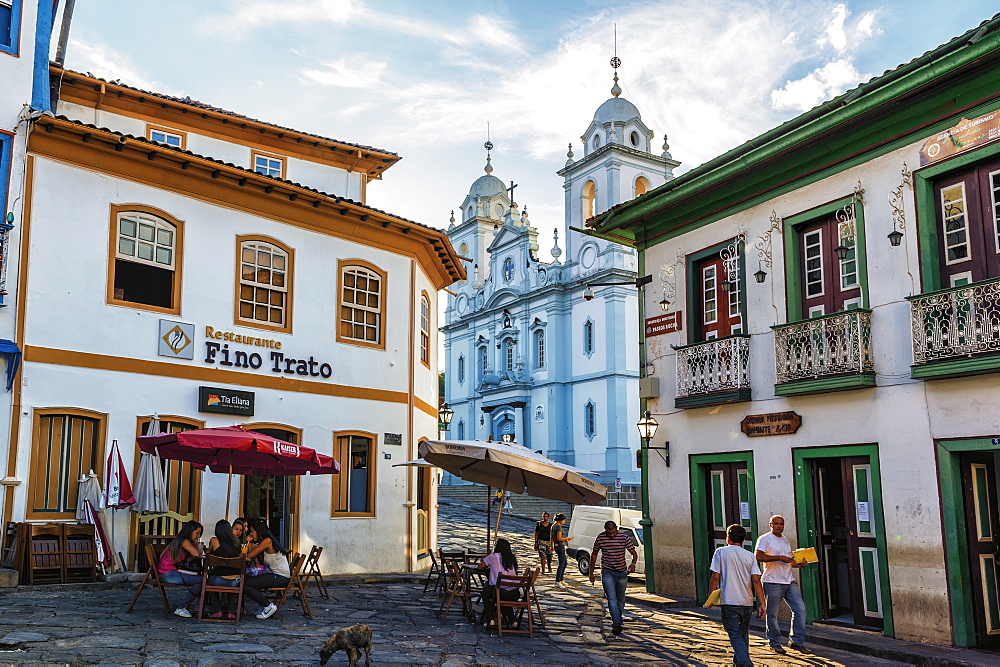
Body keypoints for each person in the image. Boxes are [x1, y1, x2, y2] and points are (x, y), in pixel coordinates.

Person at [709, 524, 767, 667]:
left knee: (735, 635)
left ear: (728, 537)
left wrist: (710, 597)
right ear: (743, 539)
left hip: (729, 601)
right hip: (746, 602)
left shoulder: (720, 552)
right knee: (742, 634)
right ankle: (738, 663)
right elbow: (756, 580)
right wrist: (762, 603)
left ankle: (746, 663)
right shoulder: (749, 556)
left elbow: (715, 577)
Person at [755, 515, 810, 655]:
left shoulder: (785, 540)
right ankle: (774, 641)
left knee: (800, 610)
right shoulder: (764, 539)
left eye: (781, 524)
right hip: (772, 581)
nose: (779, 526)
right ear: (770, 524)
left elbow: (789, 561)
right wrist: (778, 557)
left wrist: (799, 564)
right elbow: (758, 556)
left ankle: (797, 642)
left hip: (789, 581)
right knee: (772, 614)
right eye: (776, 523)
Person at [588, 520, 638, 636]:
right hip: (607, 571)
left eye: (613, 533)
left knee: (621, 599)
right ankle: (616, 624)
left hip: (621, 572)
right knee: (611, 599)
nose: (611, 535)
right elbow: (594, 554)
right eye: (609, 533)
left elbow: (633, 553)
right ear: (605, 530)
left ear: (616, 529)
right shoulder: (600, 538)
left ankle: (618, 619)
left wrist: (633, 564)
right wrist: (591, 572)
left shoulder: (624, 537)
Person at [243, 520, 292, 619]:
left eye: (252, 531)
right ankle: (264, 605)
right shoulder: (267, 541)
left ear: (259, 531)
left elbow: (250, 555)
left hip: (280, 577)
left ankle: (268, 606)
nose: (251, 534)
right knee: (246, 581)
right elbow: (253, 550)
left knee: (244, 583)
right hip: (276, 575)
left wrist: (248, 541)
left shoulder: (267, 541)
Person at [157, 520, 204, 618]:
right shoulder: (184, 541)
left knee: (201, 577)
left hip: (166, 571)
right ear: (190, 531)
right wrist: (195, 545)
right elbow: (196, 554)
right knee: (201, 580)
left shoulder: (179, 540)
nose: (198, 536)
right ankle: (182, 607)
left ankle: (198, 607)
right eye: (197, 533)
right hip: (167, 573)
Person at [476, 537, 519, 627]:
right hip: (514, 593)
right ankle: (512, 620)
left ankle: (490, 618)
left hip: (499, 591)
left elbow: (480, 566)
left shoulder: (493, 557)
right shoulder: (511, 558)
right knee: (503, 597)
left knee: (486, 594)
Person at [205, 519, 242, 618]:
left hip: (218, 580)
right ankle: (230, 612)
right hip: (235, 581)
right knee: (233, 584)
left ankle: (218, 610)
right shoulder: (237, 542)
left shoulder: (214, 540)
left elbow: (208, 553)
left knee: (208, 581)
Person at [551, 513, 572, 587]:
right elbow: (559, 538)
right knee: (562, 564)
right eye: (564, 520)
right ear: (561, 520)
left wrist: (552, 546)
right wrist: (567, 538)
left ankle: (561, 579)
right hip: (560, 546)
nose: (564, 522)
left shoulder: (553, 526)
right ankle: (557, 580)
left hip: (557, 546)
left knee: (564, 563)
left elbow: (551, 537)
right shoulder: (558, 527)